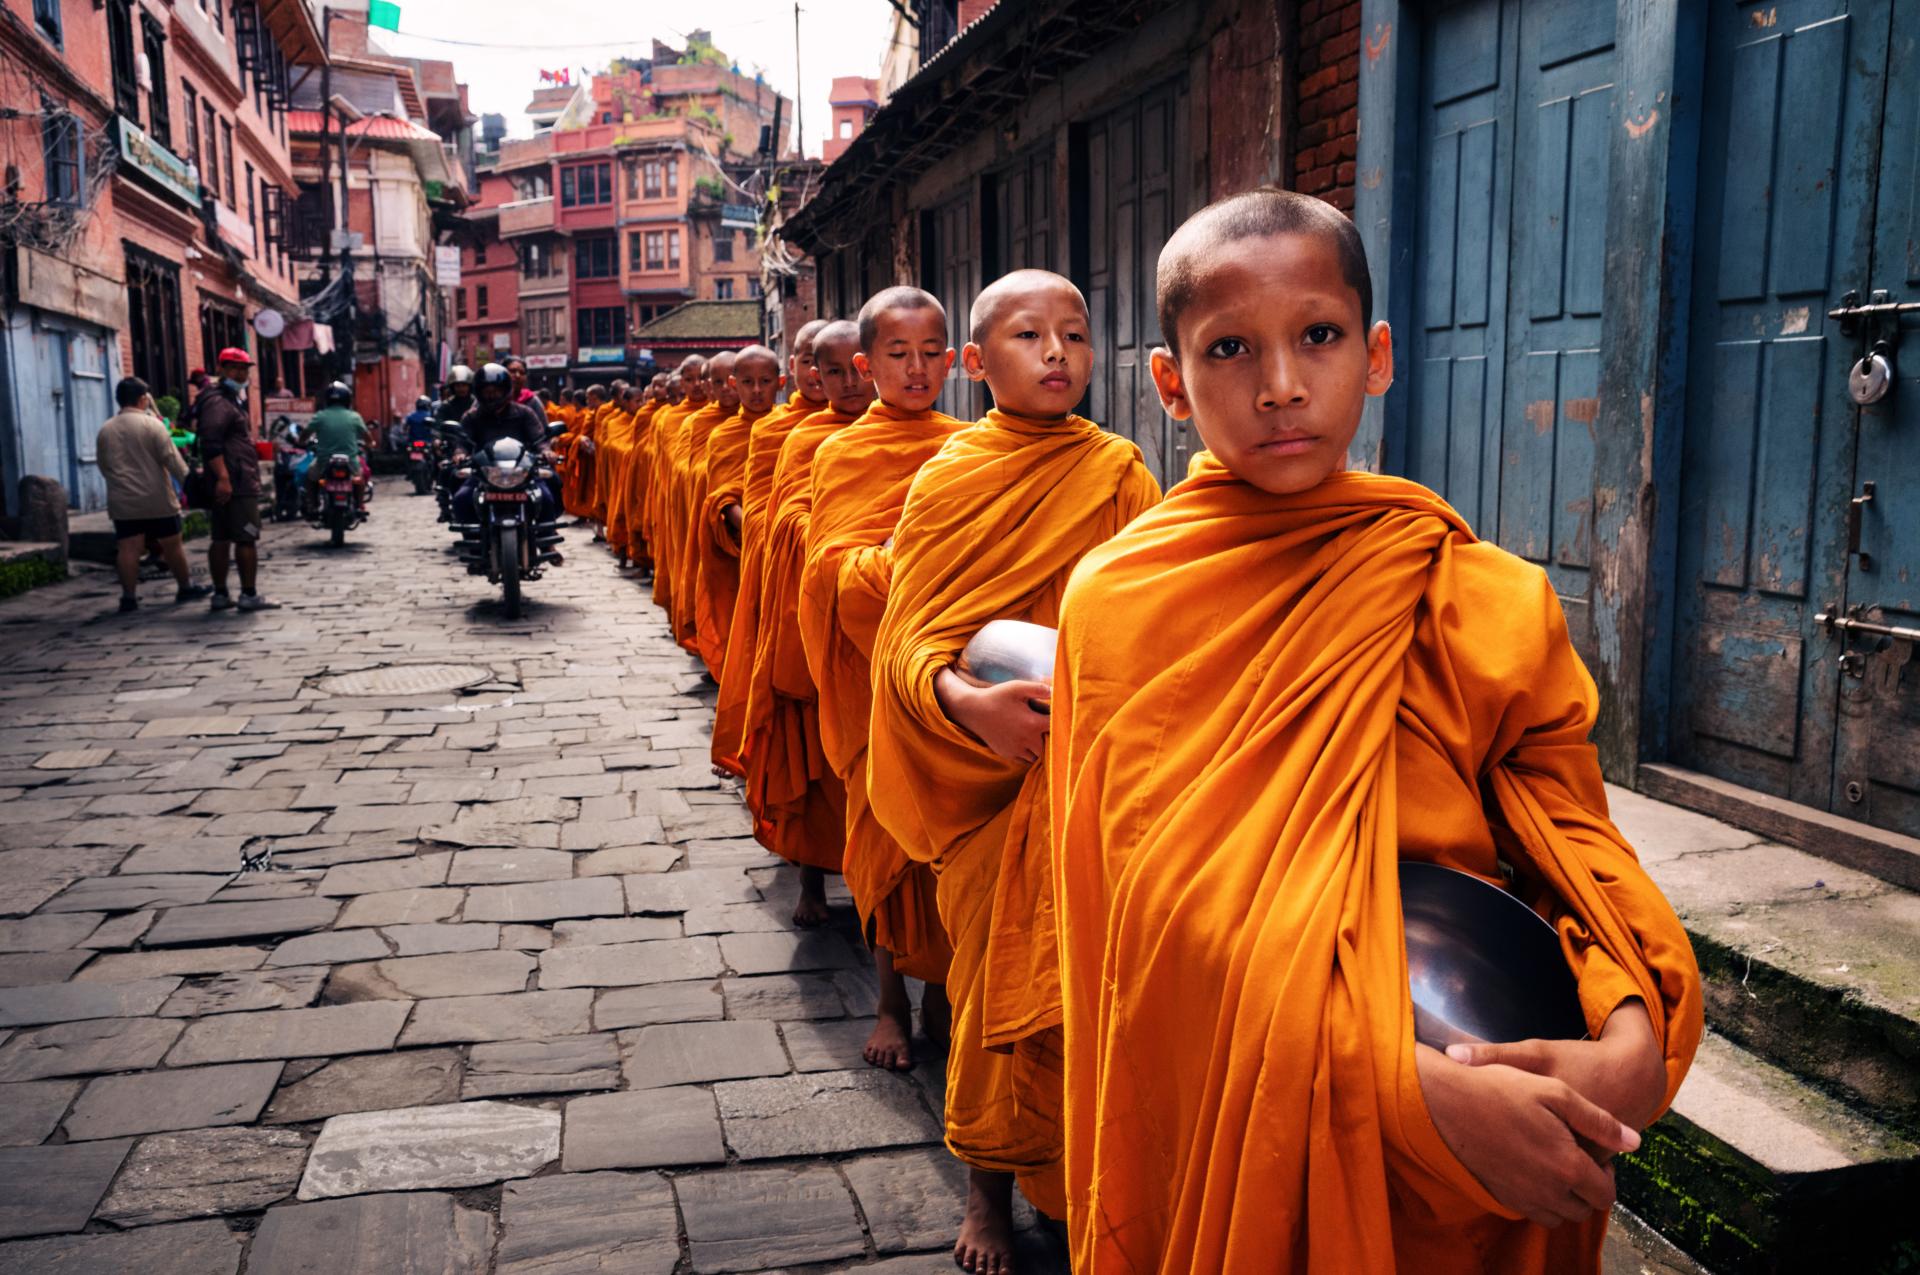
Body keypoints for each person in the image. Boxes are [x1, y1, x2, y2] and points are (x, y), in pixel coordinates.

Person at [1047, 189, 1703, 1274]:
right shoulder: (1127, 600)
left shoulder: (1475, 592)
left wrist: (1632, 1024)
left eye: (1319, 335)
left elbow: (1572, 847)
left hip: (1480, 1063)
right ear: (1170, 383)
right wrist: (1401, 1088)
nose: (1282, 386)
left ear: (1377, 352)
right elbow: (1153, 919)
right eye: (1229, 350)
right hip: (1255, 1105)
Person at [868, 270, 1161, 1270]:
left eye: (1074, 335)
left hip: (1090, 774)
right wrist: (968, 706)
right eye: (1028, 335)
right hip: (985, 782)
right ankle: (986, 1192)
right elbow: (904, 642)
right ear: (975, 362)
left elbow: (1151, 621)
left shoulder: (1121, 471)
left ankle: (1082, 1182)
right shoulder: (949, 478)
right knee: (997, 987)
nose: (1055, 355)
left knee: (1090, 993)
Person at [796, 289, 968, 1073]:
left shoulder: (970, 447)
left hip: (960, 672)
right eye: (899, 354)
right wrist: (897, 558)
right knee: (888, 841)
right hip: (876, 678)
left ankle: (945, 987)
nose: (917, 368)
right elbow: (829, 570)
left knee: (954, 837)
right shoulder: (841, 452)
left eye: (932, 351)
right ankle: (891, 999)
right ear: (866, 365)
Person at [735, 321, 874, 928]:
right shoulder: (795, 438)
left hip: (883, 612)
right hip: (807, 609)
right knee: (814, 754)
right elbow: (772, 516)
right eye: (828, 370)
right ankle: (812, 882)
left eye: (853, 369)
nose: (841, 382)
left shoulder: (925, 438)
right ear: (809, 371)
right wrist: (825, 535)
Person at [711, 319, 833, 781]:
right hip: (784, 576)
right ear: (796, 366)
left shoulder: (877, 427)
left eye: (836, 366)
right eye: (811, 360)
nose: (821, 375)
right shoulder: (777, 432)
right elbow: (758, 507)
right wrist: (796, 536)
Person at [693, 345, 783, 686]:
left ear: (780, 382)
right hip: (737, 542)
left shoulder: (790, 428)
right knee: (740, 620)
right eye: (748, 382)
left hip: (779, 544)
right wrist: (746, 522)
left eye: (765, 381)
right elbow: (717, 495)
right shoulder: (722, 435)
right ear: (734, 384)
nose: (757, 390)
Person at [96, 376, 211, 613]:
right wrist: (192, 487)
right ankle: (185, 586)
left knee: (128, 547)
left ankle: (128, 597)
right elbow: (173, 461)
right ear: (142, 399)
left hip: (123, 500)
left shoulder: (106, 429)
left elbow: (103, 465)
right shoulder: (153, 425)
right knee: (172, 545)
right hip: (156, 498)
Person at [194, 346, 280, 611]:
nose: (241, 373)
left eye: (244, 368)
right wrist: (223, 477)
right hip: (235, 482)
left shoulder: (229, 398)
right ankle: (248, 594)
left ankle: (221, 595)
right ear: (221, 369)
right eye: (234, 368)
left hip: (233, 479)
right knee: (246, 537)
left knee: (221, 537)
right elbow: (211, 442)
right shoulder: (219, 401)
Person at [670, 350, 739, 662]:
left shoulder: (771, 423)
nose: (725, 388)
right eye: (717, 381)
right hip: (705, 514)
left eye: (730, 381)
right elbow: (683, 469)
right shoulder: (697, 423)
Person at [451, 363, 553, 524]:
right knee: (461, 499)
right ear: (479, 392)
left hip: (522, 471)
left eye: (496, 391)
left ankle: (547, 539)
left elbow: (539, 438)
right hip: (485, 473)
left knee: (547, 497)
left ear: (506, 390)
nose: (492, 396)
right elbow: (462, 441)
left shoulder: (524, 413)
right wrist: (459, 454)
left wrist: (546, 451)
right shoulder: (471, 417)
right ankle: (473, 541)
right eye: (487, 391)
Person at [304, 382, 373, 509]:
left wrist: (300, 441)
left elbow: (305, 434)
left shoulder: (320, 416)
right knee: (360, 478)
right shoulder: (354, 417)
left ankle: (314, 504)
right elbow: (367, 437)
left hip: (324, 462)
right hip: (350, 462)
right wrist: (371, 443)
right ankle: (360, 505)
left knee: (309, 477)